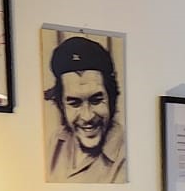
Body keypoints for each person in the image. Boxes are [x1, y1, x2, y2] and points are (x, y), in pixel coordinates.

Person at [45, 35, 126, 182]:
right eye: (74, 103)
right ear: (61, 105)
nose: (87, 116)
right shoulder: (55, 141)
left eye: (96, 100)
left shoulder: (125, 154)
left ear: (111, 99)